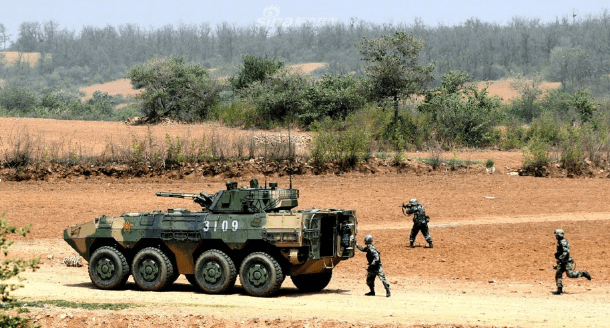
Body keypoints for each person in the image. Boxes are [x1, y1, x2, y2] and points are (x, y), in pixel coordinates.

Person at [553, 229, 591, 295]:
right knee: (558, 273)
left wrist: (560, 259)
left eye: (557, 235)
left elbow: (565, 252)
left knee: (570, 275)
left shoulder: (563, 242)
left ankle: (583, 273)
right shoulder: (560, 241)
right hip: (563, 261)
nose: (556, 236)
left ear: (559, 235)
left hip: (567, 262)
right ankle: (559, 289)